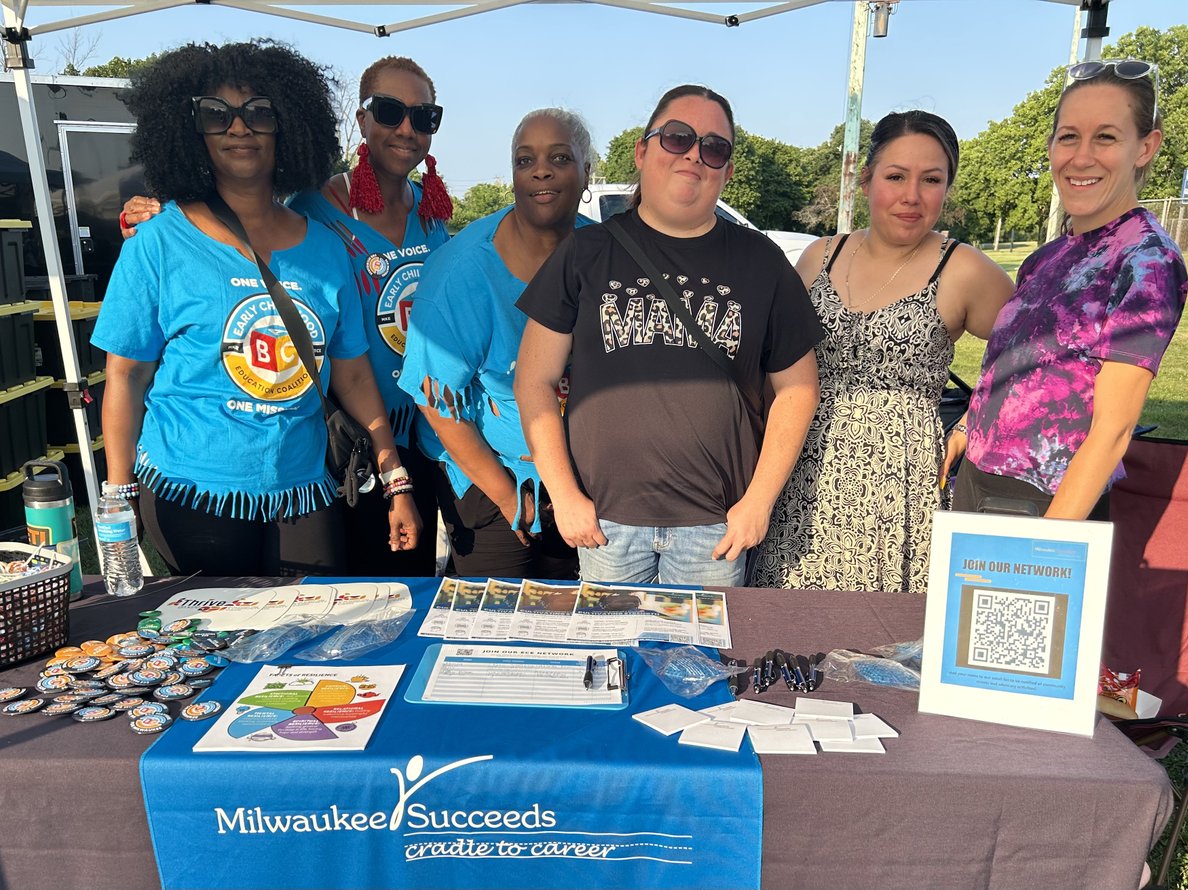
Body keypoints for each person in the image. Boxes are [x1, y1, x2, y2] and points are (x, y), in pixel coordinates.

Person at [119, 55, 452, 577]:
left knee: (326, 628)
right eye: (215, 114)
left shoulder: (355, 235)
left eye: (259, 114)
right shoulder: (164, 238)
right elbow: (127, 372)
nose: (238, 128)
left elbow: (352, 364)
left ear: (290, 127)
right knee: (216, 646)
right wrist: (119, 495)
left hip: (344, 462)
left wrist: (396, 473)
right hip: (199, 482)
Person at [514, 84, 822, 587]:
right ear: (642, 150)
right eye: (677, 138)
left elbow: (798, 388)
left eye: (714, 147)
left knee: (702, 667)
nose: (695, 156)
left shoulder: (761, 261)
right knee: (610, 664)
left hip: (715, 528)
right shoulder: (584, 253)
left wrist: (758, 503)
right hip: (606, 525)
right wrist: (565, 496)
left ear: (728, 168)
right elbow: (534, 380)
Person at [751, 111, 1014, 595]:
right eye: (896, 176)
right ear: (866, 180)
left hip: (898, 483)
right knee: (788, 629)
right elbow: (774, 363)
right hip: (800, 475)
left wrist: (969, 427)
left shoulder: (962, 269)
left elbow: (1038, 364)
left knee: (880, 644)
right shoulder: (818, 257)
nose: (912, 195)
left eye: (931, 179)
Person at [954, 60, 1188, 521]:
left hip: (1048, 503)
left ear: (1145, 147)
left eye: (1105, 137)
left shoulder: (1145, 261)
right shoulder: (1048, 257)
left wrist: (1048, 544)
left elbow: (1113, 431)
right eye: (1069, 137)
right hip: (980, 481)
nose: (1081, 157)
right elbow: (1014, 363)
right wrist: (966, 427)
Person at [396, 109, 593, 579]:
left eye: (560, 157)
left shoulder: (603, 251)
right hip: (490, 473)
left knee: (571, 611)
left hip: (575, 474)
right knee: (497, 620)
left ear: (588, 170)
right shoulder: (459, 274)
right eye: (525, 161)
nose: (540, 170)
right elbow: (438, 405)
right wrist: (509, 499)